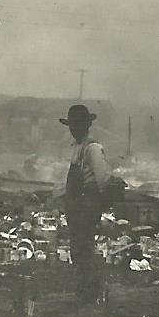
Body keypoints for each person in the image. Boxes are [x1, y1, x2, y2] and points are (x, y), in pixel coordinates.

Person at [60, 104, 110, 303]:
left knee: (84, 246)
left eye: (78, 125)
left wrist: (99, 203)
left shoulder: (93, 148)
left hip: (87, 203)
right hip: (75, 204)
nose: (74, 129)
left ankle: (91, 291)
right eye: (72, 125)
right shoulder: (77, 147)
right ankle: (83, 289)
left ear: (86, 125)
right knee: (77, 248)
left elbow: (102, 179)